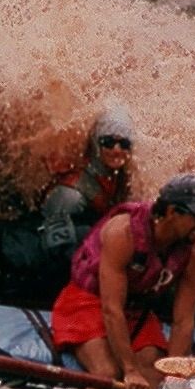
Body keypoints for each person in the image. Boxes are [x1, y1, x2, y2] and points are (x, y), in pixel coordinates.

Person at [50, 173, 195, 389]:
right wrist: (129, 370)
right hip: (86, 301)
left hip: (136, 310)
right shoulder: (123, 233)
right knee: (108, 374)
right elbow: (111, 309)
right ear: (171, 212)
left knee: (159, 381)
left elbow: (183, 322)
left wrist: (175, 376)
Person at [39, 103, 135, 268]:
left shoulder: (123, 179)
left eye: (124, 144)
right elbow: (55, 248)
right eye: (108, 142)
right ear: (96, 144)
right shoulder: (71, 194)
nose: (117, 150)